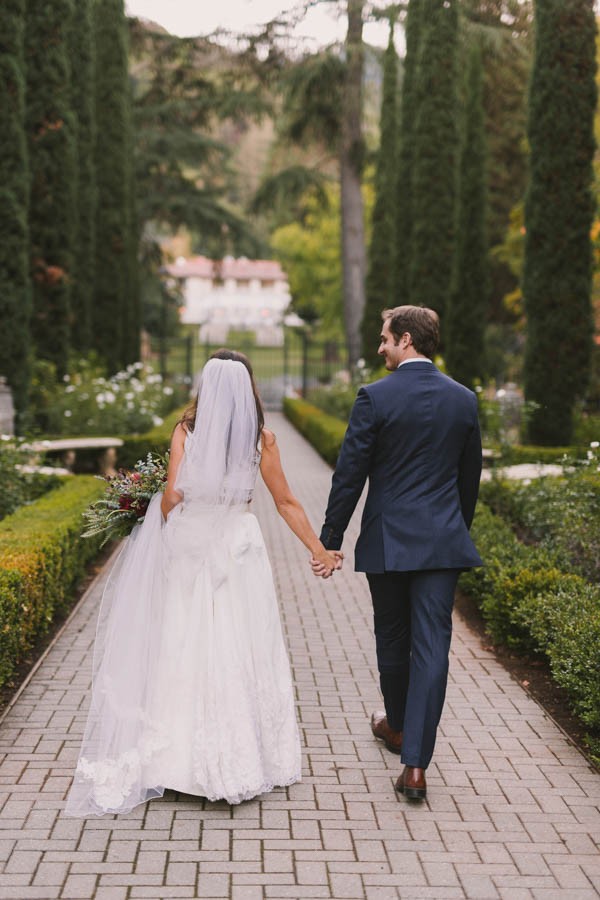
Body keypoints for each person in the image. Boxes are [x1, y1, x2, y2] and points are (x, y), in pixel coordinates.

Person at [66, 349, 341, 817]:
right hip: (239, 546)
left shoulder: (186, 431)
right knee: (241, 643)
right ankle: (245, 756)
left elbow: (173, 494)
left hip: (192, 547)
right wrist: (318, 550)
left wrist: (160, 521)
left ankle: (178, 762)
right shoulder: (263, 438)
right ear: (248, 387)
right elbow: (287, 501)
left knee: (184, 643)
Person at [312, 306, 482, 800]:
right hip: (443, 542)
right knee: (432, 647)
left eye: (384, 338)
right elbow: (468, 479)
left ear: (405, 340)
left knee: (391, 636)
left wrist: (331, 538)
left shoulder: (375, 397)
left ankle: (400, 728)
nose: (380, 347)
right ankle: (415, 764)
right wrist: (454, 532)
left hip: (388, 539)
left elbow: (350, 474)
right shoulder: (464, 400)